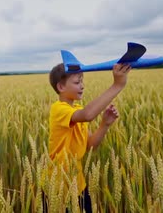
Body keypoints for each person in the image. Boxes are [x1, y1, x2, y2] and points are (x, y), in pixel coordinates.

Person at [44, 62, 131, 212]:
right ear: (61, 87)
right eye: (77, 82)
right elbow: (88, 115)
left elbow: (90, 145)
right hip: (57, 188)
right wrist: (117, 85)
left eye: (82, 81)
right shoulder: (58, 109)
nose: (82, 86)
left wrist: (104, 124)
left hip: (78, 184)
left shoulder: (77, 111)